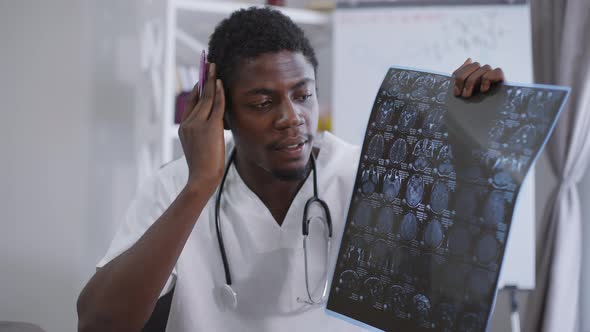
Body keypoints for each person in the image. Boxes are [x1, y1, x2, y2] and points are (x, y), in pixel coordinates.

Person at [76, 7, 505, 332]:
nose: (292, 117)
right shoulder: (175, 184)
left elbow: (449, 298)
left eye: (303, 95)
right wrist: (199, 187)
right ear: (219, 112)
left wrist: (468, 153)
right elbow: (99, 323)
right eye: (263, 103)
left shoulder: (367, 176)